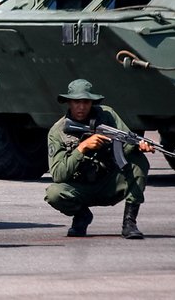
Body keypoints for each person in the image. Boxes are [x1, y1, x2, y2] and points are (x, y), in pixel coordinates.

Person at [45, 79, 153, 239]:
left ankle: (129, 223)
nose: (81, 107)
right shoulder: (58, 132)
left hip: (110, 184)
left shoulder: (107, 116)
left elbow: (126, 143)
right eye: (76, 102)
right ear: (68, 102)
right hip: (79, 189)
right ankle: (82, 216)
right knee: (54, 193)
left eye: (86, 102)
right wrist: (82, 148)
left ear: (92, 102)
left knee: (139, 160)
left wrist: (139, 146)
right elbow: (58, 175)